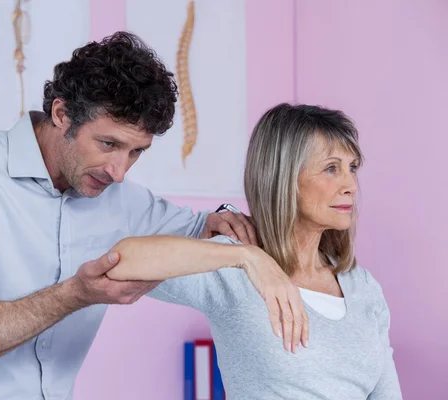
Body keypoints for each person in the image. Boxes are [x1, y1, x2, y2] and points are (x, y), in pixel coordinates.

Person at [0, 32, 308, 400]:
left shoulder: (122, 199)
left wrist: (227, 217)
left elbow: (202, 227)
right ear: (61, 114)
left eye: (136, 151)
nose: (119, 171)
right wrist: (75, 294)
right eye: (108, 143)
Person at [107, 103, 402, 399]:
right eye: (331, 168)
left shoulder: (362, 286)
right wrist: (247, 257)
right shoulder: (234, 269)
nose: (351, 184)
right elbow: (123, 261)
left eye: (352, 168)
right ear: (284, 178)